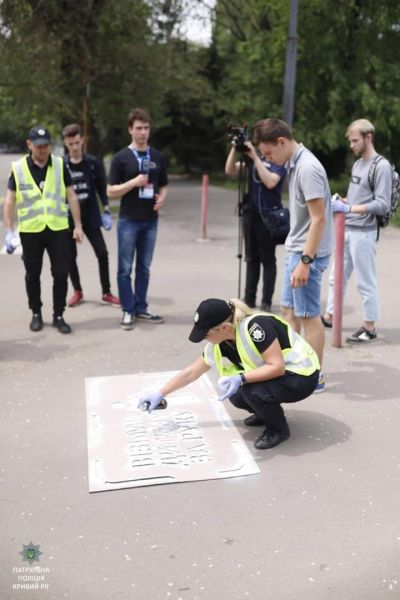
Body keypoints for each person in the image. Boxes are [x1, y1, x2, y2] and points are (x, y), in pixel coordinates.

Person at [137, 298, 320, 450]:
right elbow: (192, 372)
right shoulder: (220, 342)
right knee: (236, 395)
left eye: (206, 334)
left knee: (251, 391)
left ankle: (278, 430)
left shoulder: (256, 327)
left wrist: (241, 378)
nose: (204, 339)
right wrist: (161, 393)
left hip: (302, 376)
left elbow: (277, 367)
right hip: (282, 376)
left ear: (223, 327)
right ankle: (265, 413)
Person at [252, 118, 333, 393]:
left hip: (306, 254)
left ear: (282, 142)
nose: (268, 159)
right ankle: (292, 366)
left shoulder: (308, 168)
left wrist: (305, 262)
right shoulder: (294, 164)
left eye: (268, 153)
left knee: (309, 315)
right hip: (296, 249)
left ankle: (315, 377)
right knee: (288, 311)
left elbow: (318, 219)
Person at [3, 125, 84, 334]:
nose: (43, 149)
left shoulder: (59, 165)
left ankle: (59, 315)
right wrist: (9, 231)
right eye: (39, 146)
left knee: (60, 273)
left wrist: (78, 226)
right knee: (32, 275)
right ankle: (36, 313)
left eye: (46, 145)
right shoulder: (19, 167)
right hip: (31, 231)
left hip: (57, 229)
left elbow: (71, 196)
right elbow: (10, 201)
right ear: (29, 145)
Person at [322, 119, 392, 343]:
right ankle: (331, 315)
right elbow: (355, 198)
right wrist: (342, 201)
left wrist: (350, 207)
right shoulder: (357, 164)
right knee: (335, 278)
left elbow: (383, 204)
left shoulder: (381, 167)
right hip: (347, 228)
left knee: (365, 281)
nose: (351, 145)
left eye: (355, 140)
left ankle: (369, 327)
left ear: (368, 137)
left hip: (364, 232)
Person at [107, 108, 168, 330]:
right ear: (130, 130)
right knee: (125, 267)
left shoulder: (157, 156)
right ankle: (127, 309)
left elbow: (163, 185)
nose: (143, 132)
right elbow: (110, 191)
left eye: (146, 128)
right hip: (128, 221)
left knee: (144, 267)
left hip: (150, 220)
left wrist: (162, 199)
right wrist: (133, 183)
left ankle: (141, 307)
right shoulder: (121, 158)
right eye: (139, 128)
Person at [225, 134, 287, 311]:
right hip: (250, 214)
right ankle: (249, 299)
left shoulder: (278, 162)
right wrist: (235, 150)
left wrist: (255, 159)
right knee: (251, 259)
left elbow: (270, 182)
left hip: (269, 217)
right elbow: (230, 171)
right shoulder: (253, 160)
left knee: (268, 259)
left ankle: (266, 301)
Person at [62, 123, 120, 308]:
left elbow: (102, 188)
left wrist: (106, 209)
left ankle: (106, 292)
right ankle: (77, 290)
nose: (74, 147)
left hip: (91, 215)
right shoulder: (61, 165)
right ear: (65, 143)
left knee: (102, 253)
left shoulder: (93, 163)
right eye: (70, 144)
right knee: (70, 256)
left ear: (82, 141)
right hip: (69, 217)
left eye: (77, 142)